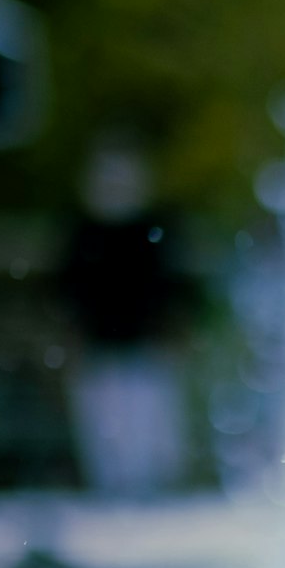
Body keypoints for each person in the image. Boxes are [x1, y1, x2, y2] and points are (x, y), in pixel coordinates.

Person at [60, 134, 197, 497]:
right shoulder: (83, 231)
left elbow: (172, 287)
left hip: (147, 344)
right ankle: (114, 491)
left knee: (152, 430)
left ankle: (153, 490)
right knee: (107, 431)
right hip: (100, 345)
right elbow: (69, 293)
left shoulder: (155, 227)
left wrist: (174, 328)